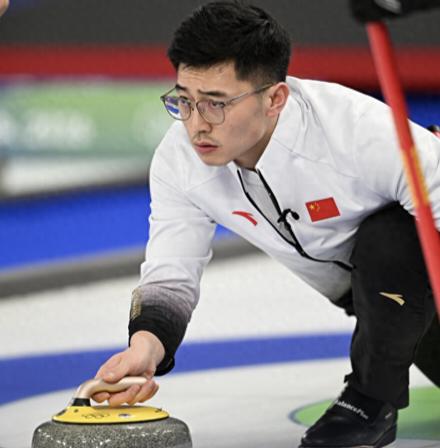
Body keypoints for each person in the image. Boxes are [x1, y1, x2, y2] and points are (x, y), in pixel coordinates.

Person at [94, 1, 440, 447]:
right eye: (184, 100)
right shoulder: (178, 160)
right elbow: (171, 276)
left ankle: (369, 402)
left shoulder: (359, 133)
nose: (196, 125)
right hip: (391, 306)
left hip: (422, 264)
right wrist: (144, 348)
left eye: (216, 104)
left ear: (275, 99)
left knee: (388, 235)